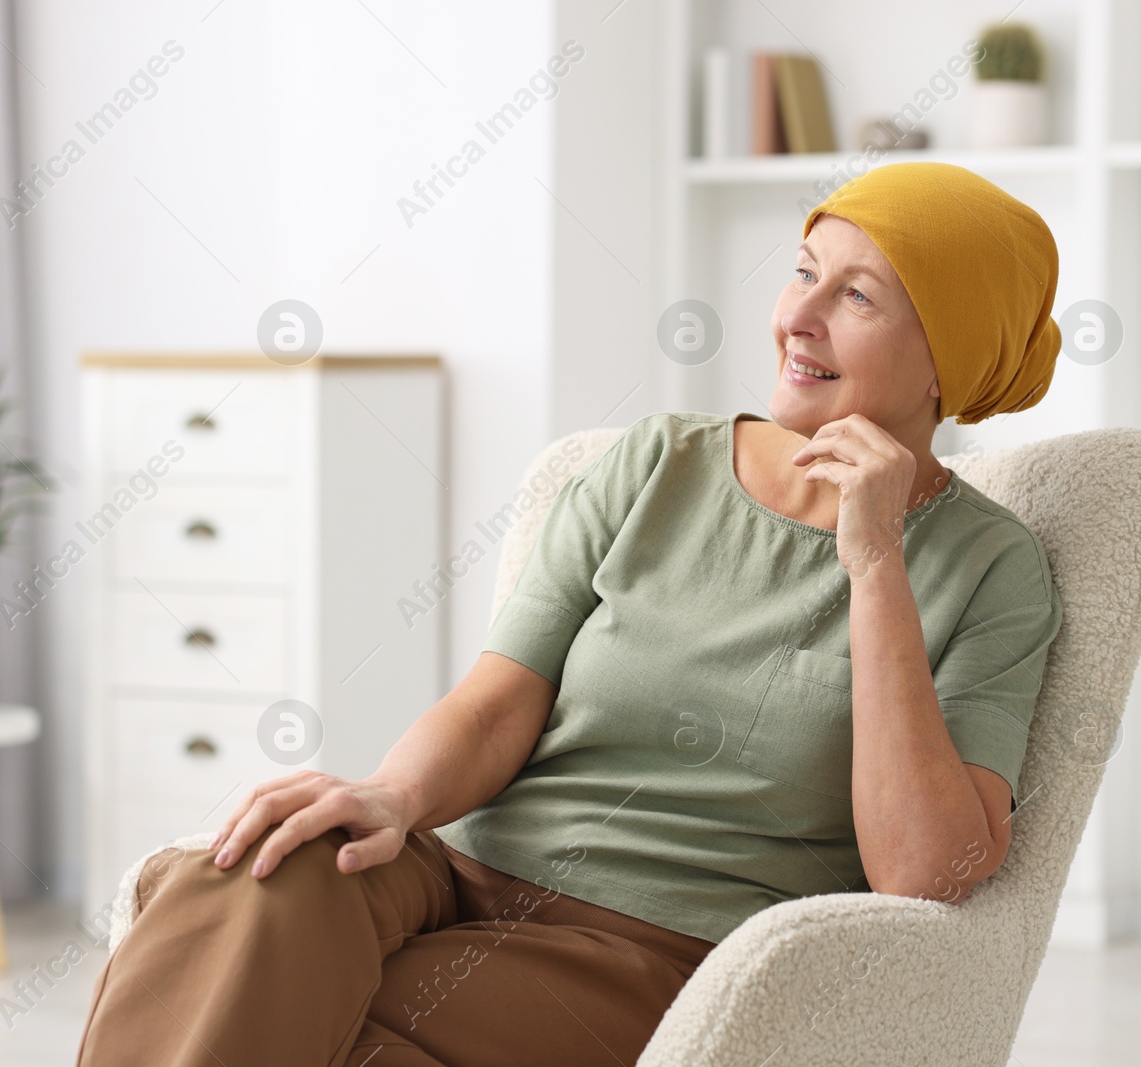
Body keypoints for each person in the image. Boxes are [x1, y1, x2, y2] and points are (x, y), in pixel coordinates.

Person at [76, 161, 1066, 1067]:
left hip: (646, 948)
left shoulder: (988, 563)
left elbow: (926, 869)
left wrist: (874, 559)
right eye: (801, 270)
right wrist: (390, 795)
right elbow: (499, 699)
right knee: (243, 873)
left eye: (854, 295)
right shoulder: (655, 463)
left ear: (948, 353)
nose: (797, 316)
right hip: (457, 870)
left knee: (342, 1029)